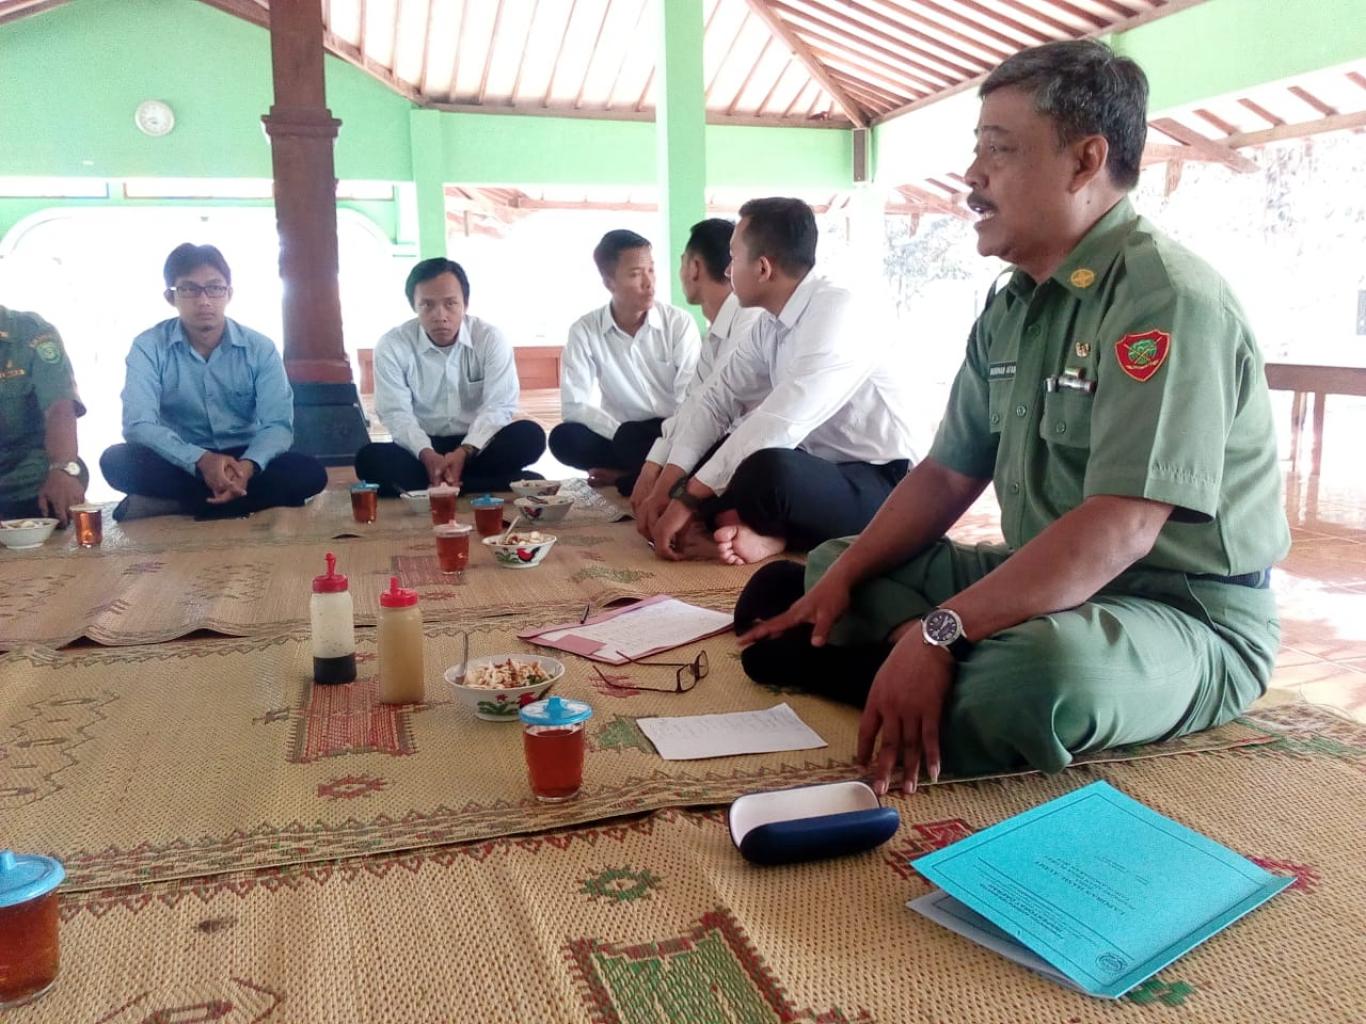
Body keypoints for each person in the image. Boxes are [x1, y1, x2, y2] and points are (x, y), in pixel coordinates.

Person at [736, 40, 1289, 798]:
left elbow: (1122, 529)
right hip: (1049, 579)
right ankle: (906, 670)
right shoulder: (1012, 305)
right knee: (832, 569)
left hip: (1186, 612)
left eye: (998, 150)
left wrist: (941, 629)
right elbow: (944, 474)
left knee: (1040, 677)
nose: (971, 176)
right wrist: (850, 579)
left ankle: (917, 672)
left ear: (1084, 161)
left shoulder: (1165, 300)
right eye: (977, 150)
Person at [647, 198, 918, 565]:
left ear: (762, 268)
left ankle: (773, 536)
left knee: (767, 469)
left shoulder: (840, 310)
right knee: (719, 459)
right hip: (816, 467)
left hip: (884, 479)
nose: (728, 270)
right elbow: (717, 400)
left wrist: (686, 500)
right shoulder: (770, 323)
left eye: (733, 257)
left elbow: (777, 424)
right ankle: (763, 532)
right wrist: (667, 486)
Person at [100, 243, 327, 519]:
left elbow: (277, 424)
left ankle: (176, 504)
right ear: (171, 297)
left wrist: (246, 467)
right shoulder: (148, 346)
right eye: (189, 289)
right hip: (183, 459)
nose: (204, 300)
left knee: (310, 473)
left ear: (228, 293)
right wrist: (201, 460)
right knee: (115, 461)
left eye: (215, 288)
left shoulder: (259, 348)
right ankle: (241, 500)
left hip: (243, 455)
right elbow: (138, 424)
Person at [354, 258, 546, 495]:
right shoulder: (393, 344)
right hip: (423, 448)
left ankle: (437, 486)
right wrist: (426, 454)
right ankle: (486, 484)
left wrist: (465, 451)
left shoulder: (489, 338)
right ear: (414, 305)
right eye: (427, 305)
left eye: (450, 304)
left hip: (478, 447)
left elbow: (499, 405)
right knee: (369, 459)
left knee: (530, 436)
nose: (440, 315)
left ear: (465, 303)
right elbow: (396, 413)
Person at [628, 218, 763, 531]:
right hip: (716, 434)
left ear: (694, 268)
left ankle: (720, 517)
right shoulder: (717, 330)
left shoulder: (752, 318)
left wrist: (666, 482)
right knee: (640, 441)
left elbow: (720, 411)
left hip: (749, 446)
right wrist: (652, 469)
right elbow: (696, 401)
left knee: (734, 461)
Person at [548, 229, 700, 495]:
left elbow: (689, 397)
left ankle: (629, 476)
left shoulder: (678, 324)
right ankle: (649, 475)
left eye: (651, 270)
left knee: (702, 442)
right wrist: (621, 433)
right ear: (609, 282)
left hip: (669, 431)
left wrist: (662, 441)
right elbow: (574, 405)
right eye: (635, 274)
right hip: (619, 436)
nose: (649, 282)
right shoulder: (585, 330)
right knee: (564, 438)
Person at [0, 305, 87, 525]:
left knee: (70, 475)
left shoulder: (33, 333)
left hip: (25, 473)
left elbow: (59, 407)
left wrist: (61, 469)